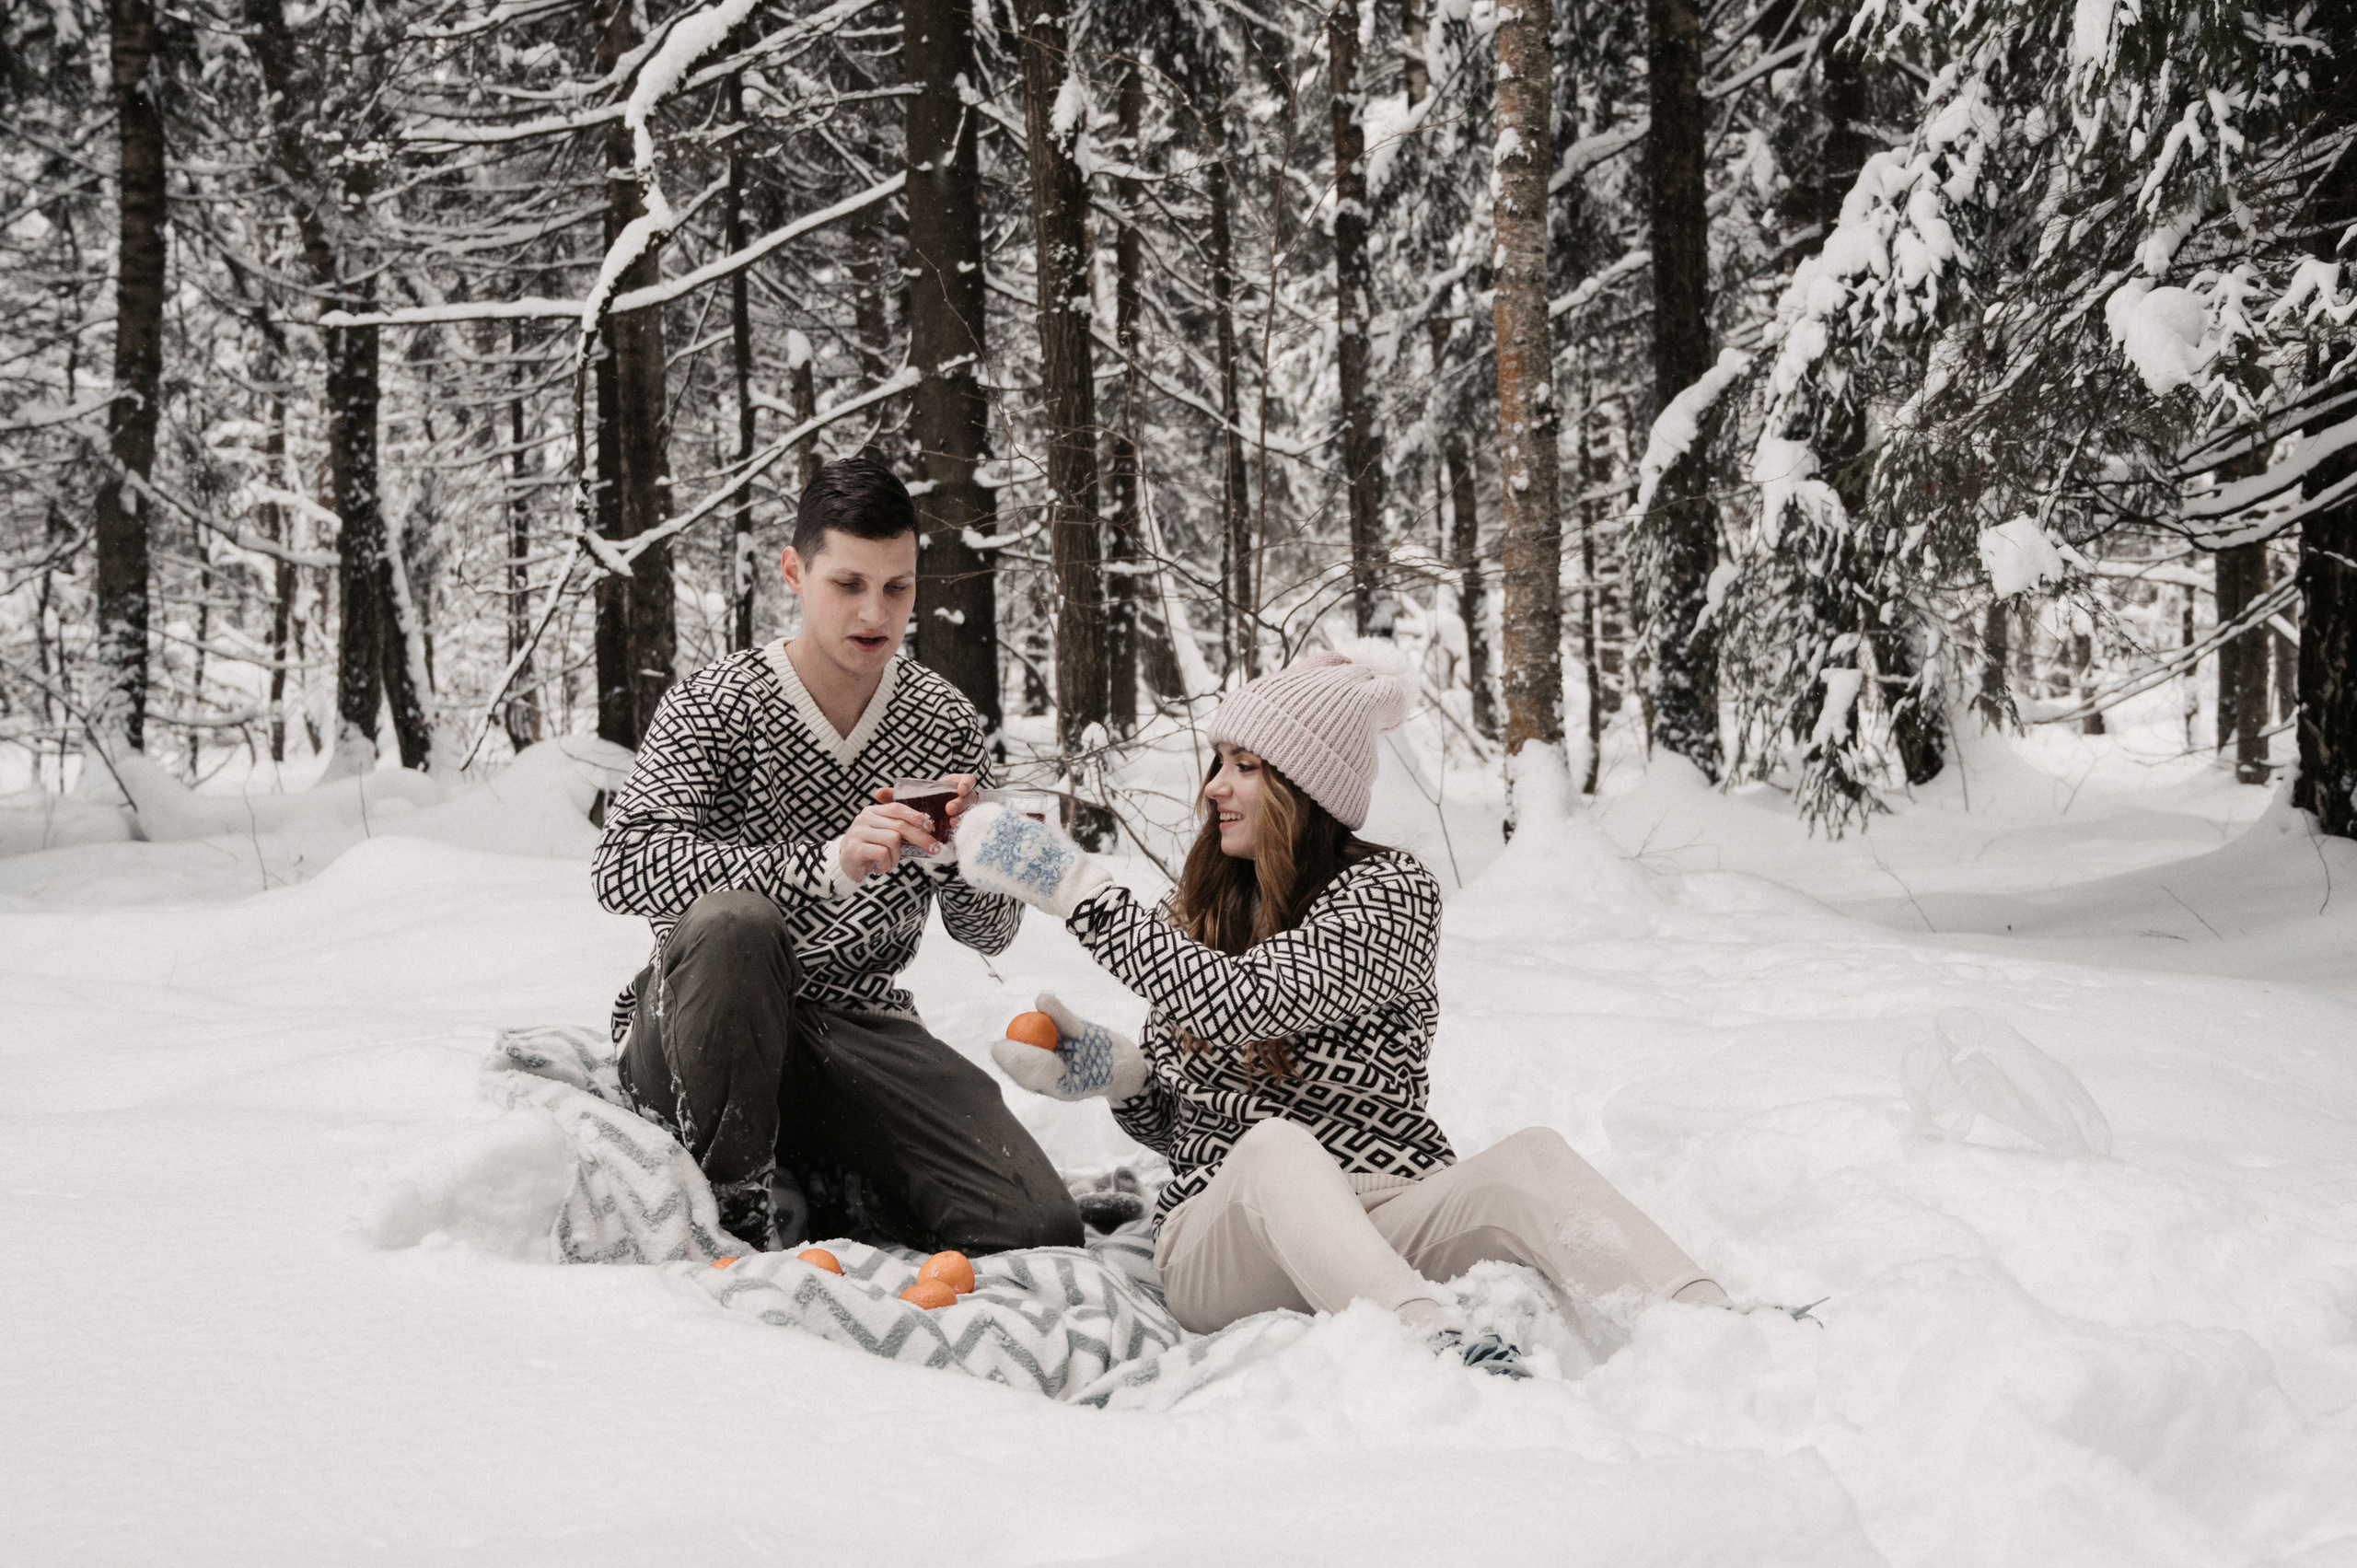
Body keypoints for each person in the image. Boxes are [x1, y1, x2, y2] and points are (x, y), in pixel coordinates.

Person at [956, 644, 1729, 1367]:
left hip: (1388, 1214)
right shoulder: (1196, 913)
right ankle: (1435, 1343)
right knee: (1273, 1147)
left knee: (1531, 1154)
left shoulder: (1388, 896)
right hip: (1223, 1247)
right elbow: (1197, 1126)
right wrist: (1125, 1079)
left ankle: (1713, 1323)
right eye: (1219, 762)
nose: (1215, 785)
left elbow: (1249, 1001)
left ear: (1305, 786)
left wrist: (1079, 893)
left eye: (1244, 766)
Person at [590, 452, 1082, 1256]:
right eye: (848, 584)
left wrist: (970, 856)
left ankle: (821, 1180)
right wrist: (826, 863)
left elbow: (988, 933)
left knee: (1036, 1224)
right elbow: (623, 865)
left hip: (857, 1026)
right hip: (699, 1024)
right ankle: (736, 1216)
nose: (874, 612)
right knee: (738, 924)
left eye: (898, 588)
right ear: (794, 571)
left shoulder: (943, 719)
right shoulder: (715, 702)